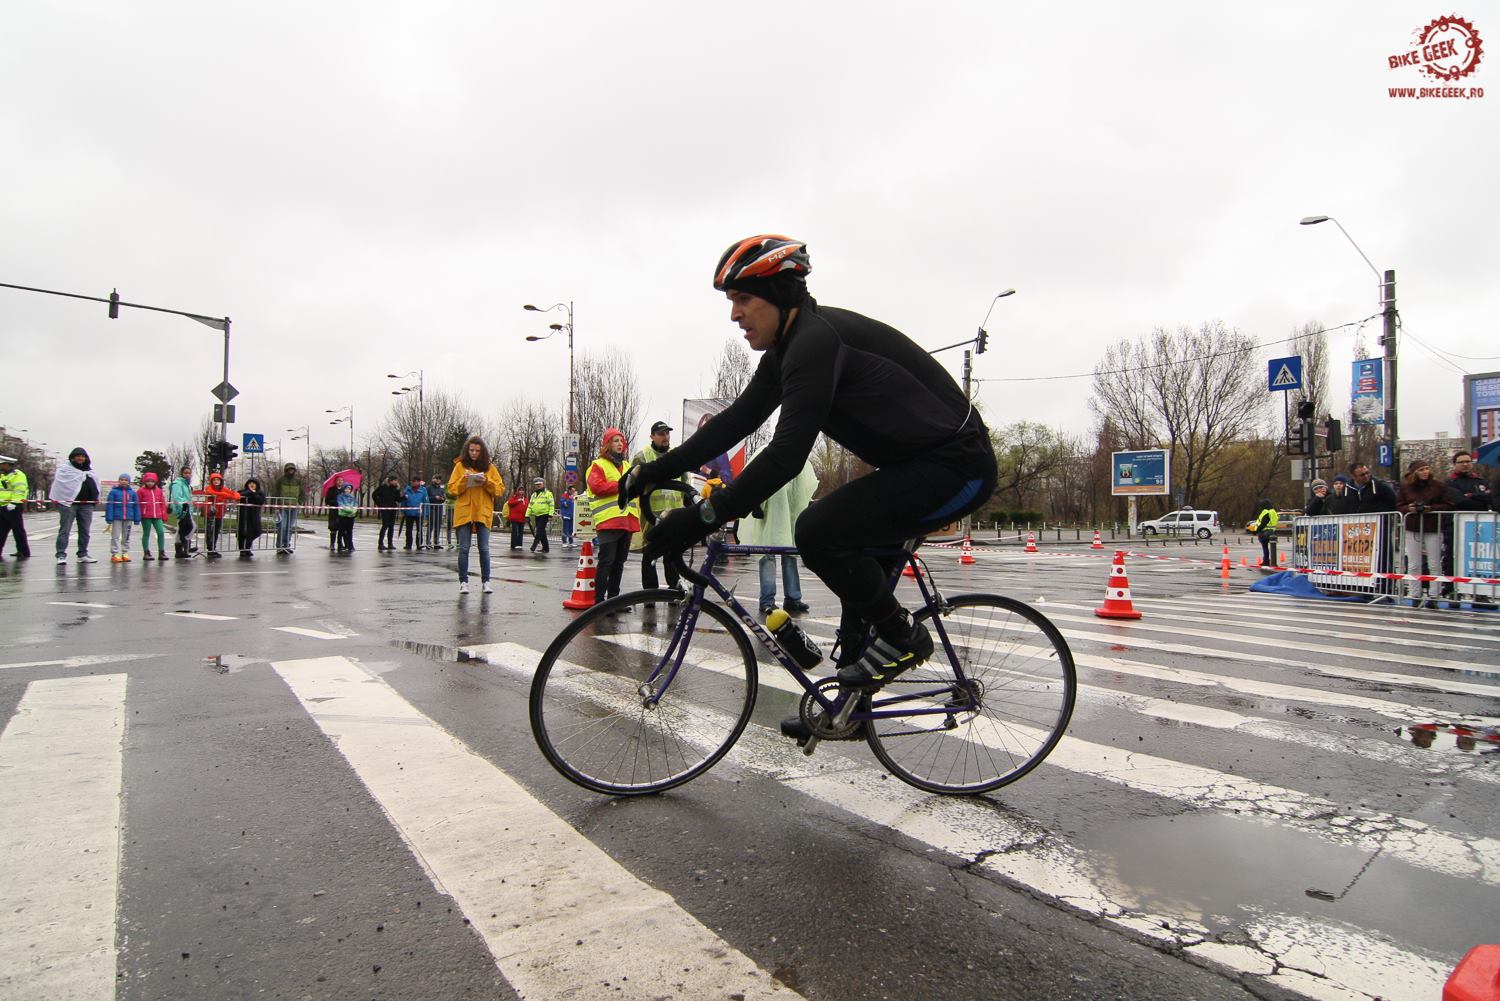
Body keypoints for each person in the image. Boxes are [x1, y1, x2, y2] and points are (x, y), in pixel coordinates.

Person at [624, 235, 998, 707]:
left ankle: (906, 639)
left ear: (778, 295)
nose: (734, 314)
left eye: (742, 299)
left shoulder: (817, 344)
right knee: (855, 603)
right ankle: (847, 708)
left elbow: (786, 455)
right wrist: (657, 469)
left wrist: (703, 517)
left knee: (819, 530)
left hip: (958, 467)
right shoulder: (787, 351)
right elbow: (738, 421)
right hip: (917, 465)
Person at [737, 458, 818, 616]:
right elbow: (754, 477)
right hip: (771, 513)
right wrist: (757, 504)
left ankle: (792, 598)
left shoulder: (794, 455)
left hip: (789, 511)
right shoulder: (769, 453)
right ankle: (767, 600)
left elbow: (803, 484)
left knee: (790, 554)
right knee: (768, 553)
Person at [631, 421, 687, 595]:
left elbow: (684, 483)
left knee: (673, 553)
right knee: (650, 553)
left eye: (667, 434)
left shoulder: (677, 455)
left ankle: (674, 586)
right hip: (651, 514)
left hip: (674, 514)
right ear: (652, 436)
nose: (665, 437)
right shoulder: (643, 456)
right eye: (661, 434)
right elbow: (634, 484)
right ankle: (649, 592)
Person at [587, 427, 640, 603]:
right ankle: (599, 602)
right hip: (608, 521)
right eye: (615, 440)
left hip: (627, 521)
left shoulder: (627, 466)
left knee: (619, 563)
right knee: (607, 562)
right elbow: (597, 487)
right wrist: (622, 484)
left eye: (621, 441)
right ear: (607, 444)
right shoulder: (598, 465)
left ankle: (613, 601)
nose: (620, 444)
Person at [447, 435, 502, 594]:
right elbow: (452, 489)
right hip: (464, 511)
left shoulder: (490, 468)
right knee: (464, 548)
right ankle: (463, 582)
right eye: (471, 450)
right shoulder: (459, 467)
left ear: (482, 451)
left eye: (477, 450)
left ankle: (486, 582)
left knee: (484, 548)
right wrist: (464, 480)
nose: (474, 453)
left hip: (482, 512)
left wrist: (486, 481)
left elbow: (499, 490)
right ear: (467, 450)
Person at [1396, 458, 1451, 607]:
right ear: (1414, 472)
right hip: (1412, 526)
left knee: (1434, 563)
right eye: (1421, 469)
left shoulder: (1438, 486)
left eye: (1427, 468)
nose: (1425, 472)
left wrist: (1431, 508)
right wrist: (1409, 508)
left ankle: (1434, 595)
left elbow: (1448, 504)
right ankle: (1415, 594)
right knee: (1414, 563)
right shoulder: (1406, 487)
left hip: (1433, 526)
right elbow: (1399, 505)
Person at [1445, 450, 1493, 600]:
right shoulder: (1449, 482)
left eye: (1468, 461)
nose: (1465, 464)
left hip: (1480, 527)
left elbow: (1490, 498)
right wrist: (1478, 498)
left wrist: (1473, 496)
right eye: (1461, 462)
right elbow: (1459, 501)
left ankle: (1480, 593)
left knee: (1478, 559)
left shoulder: (1480, 481)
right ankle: (1453, 591)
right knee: (1454, 557)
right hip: (1457, 526)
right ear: (1455, 464)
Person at [50, 446, 101, 565]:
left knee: (85, 531)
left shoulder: (90, 471)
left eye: (82, 456)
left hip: (86, 505)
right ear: (72, 457)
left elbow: (95, 485)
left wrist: (95, 498)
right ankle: (61, 554)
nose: (80, 458)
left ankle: (83, 554)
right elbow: (60, 485)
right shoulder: (64, 470)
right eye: (78, 456)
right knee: (65, 530)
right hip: (68, 504)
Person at [197, 471, 240, 559]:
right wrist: (225, 495)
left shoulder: (223, 488)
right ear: (211, 481)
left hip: (219, 514)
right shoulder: (208, 488)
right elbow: (215, 494)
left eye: (218, 480)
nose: (216, 481)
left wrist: (234, 495)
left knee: (216, 532)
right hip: (210, 513)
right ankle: (210, 549)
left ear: (221, 481)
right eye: (214, 480)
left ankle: (213, 549)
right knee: (210, 531)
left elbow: (234, 494)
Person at [104, 473, 141, 563]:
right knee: (115, 536)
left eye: (126, 480)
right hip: (117, 517)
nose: (123, 481)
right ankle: (115, 553)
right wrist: (109, 517)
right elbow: (110, 505)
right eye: (122, 479)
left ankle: (125, 552)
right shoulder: (113, 492)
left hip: (128, 518)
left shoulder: (132, 493)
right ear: (119, 481)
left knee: (126, 536)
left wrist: (137, 518)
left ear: (129, 481)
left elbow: (136, 506)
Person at [0, 454, 31, 559]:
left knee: (18, 530)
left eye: (1, 464)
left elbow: (20, 490)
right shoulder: (3, 475)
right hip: (3, 506)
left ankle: (23, 551)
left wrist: (14, 503)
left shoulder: (17, 475)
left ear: (6, 464)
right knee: (1, 531)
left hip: (13, 507)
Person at [136, 471, 169, 561]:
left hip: (157, 515)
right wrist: (138, 515)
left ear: (155, 482)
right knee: (146, 533)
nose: (150, 483)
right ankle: (146, 552)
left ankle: (161, 552)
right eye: (148, 481)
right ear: (145, 481)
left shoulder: (159, 491)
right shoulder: (141, 491)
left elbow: (162, 504)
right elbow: (137, 504)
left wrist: (164, 515)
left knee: (161, 532)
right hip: (146, 515)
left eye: (152, 481)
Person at [272, 463, 303, 555]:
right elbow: (276, 493)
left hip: (294, 507)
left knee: (290, 527)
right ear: (286, 470)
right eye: (289, 469)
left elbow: (302, 493)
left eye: (292, 469)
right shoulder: (280, 480)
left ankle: (286, 545)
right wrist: (277, 505)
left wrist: (299, 502)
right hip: (283, 506)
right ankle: (280, 546)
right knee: (283, 527)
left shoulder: (298, 481)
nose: (291, 471)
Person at [170, 465, 197, 558]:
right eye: (185, 473)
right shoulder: (178, 483)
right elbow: (177, 497)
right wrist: (183, 505)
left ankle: (184, 547)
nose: (188, 475)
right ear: (182, 473)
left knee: (186, 528)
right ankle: (181, 548)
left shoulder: (187, 484)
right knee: (185, 528)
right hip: (182, 510)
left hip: (187, 509)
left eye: (189, 473)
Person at [237, 476, 267, 556]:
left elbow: (261, 501)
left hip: (254, 515)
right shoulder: (243, 491)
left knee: (254, 531)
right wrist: (249, 492)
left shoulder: (260, 492)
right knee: (242, 532)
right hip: (243, 515)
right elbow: (238, 496)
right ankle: (242, 549)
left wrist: (253, 493)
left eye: (253, 483)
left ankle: (247, 548)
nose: (252, 484)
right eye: (250, 483)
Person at [374, 475, 402, 551]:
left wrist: (404, 497)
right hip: (385, 509)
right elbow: (374, 495)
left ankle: (390, 543)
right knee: (385, 525)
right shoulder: (382, 488)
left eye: (397, 480)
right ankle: (380, 543)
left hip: (393, 509)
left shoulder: (396, 489)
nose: (396, 482)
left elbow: (398, 499)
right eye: (395, 480)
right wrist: (379, 504)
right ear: (390, 481)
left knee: (391, 527)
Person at [528, 477, 555, 553]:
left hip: (544, 514)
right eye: (536, 484)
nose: (538, 486)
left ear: (543, 484)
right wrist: (527, 515)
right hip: (537, 515)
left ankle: (534, 546)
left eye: (540, 484)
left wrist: (550, 515)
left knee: (539, 531)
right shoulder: (534, 495)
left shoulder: (548, 493)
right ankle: (546, 548)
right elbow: (530, 505)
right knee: (542, 532)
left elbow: (551, 504)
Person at [1250, 498, 1279, 566]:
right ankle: (1273, 562)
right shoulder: (1273, 511)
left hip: (1265, 532)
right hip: (1273, 532)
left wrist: (1256, 530)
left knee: (1265, 547)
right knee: (1272, 547)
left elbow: (1263, 523)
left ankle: (1266, 561)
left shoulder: (1266, 512)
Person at [402, 476, 425, 550]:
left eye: (414, 481)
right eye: (412, 481)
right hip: (409, 513)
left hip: (419, 513)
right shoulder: (407, 489)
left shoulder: (423, 490)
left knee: (419, 530)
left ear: (418, 482)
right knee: (408, 530)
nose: (413, 482)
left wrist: (425, 513)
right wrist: (403, 510)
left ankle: (419, 544)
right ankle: (408, 544)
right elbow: (404, 500)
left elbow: (426, 502)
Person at [424, 473, 447, 550]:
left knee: (438, 526)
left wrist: (442, 498)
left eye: (439, 479)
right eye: (436, 478)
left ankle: (436, 542)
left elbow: (444, 497)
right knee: (431, 526)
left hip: (439, 508)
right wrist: (435, 498)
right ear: (433, 479)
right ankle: (428, 542)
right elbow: (426, 498)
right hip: (431, 508)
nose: (438, 480)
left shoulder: (441, 489)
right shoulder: (428, 488)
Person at [336, 481, 359, 552]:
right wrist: (349, 510)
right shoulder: (340, 496)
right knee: (341, 531)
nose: (347, 490)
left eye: (349, 489)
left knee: (350, 531)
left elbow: (356, 505)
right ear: (343, 489)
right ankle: (340, 544)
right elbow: (341, 505)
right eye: (346, 489)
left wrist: (354, 511)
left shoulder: (352, 497)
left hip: (351, 517)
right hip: (343, 516)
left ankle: (350, 545)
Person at [323, 477, 344, 552]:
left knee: (342, 528)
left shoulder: (344, 490)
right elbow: (327, 500)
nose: (340, 482)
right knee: (333, 528)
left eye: (341, 480)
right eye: (338, 480)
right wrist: (336, 502)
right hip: (334, 512)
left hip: (343, 512)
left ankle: (340, 544)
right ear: (335, 481)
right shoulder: (331, 490)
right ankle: (332, 544)